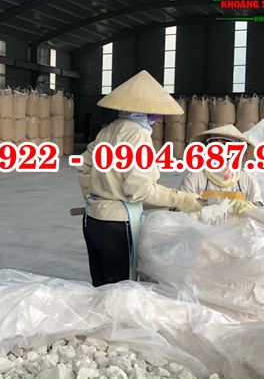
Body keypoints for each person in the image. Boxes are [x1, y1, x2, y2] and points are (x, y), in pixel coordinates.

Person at [76, 70, 203, 287]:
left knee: (101, 285)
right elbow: (139, 190)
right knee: (122, 287)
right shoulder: (138, 135)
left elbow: (84, 167)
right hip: (118, 224)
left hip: (93, 219)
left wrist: (94, 195)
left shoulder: (107, 131)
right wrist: (182, 199)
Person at [179, 124, 263, 214]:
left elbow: (261, 214)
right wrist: (202, 204)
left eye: (225, 144)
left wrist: (251, 208)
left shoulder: (248, 180)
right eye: (214, 144)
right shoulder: (194, 178)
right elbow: (178, 212)